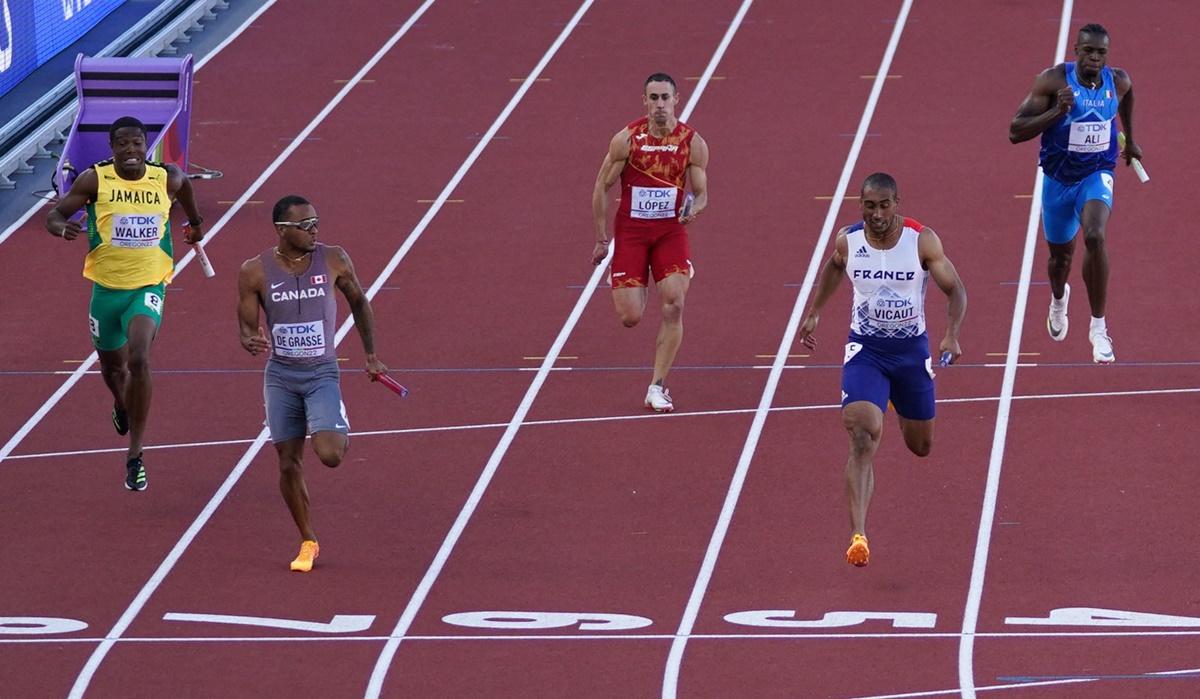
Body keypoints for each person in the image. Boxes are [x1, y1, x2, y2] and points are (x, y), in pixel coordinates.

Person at [799, 173, 966, 567]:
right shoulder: (849, 241)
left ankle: (889, 401)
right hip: (867, 351)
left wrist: (951, 336)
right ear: (861, 204)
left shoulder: (921, 241)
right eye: (869, 206)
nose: (876, 214)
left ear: (897, 203)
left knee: (920, 446)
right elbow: (835, 267)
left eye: (884, 205)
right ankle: (859, 535)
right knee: (861, 435)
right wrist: (815, 313)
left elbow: (955, 289)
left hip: (911, 354)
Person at [45, 116, 205, 492]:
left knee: (139, 358)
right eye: (123, 145)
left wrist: (196, 225)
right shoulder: (95, 180)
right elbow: (54, 214)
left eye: (137, 144)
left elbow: (186, 195)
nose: (131, 151)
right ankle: (121, 403)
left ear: (145, 146)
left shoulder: (166, 177)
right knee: (113, 369)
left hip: (147, 286)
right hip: (106, 291)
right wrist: (60, 228)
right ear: (112, 148)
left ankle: (135, 454)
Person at [237, 195, 387, 572]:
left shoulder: (334, 258)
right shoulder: (254, 271)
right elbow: (245, 325)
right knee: (288, 462)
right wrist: (249, 338)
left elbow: (359, 302)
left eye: (316, 222)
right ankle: (308, 540)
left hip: (321, 372)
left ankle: (332, 420)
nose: (313, 230)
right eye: (304, 225)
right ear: (281, 230)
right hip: (281, 375)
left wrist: (370, 354)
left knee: (331, 455)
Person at [1009, 23, 1143, 363]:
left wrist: (1131, 137)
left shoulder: (1118, 80)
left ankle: (1098, 327)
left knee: (1096, 236)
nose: (1095, 58)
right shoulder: (1054, 81)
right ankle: (1058, 299)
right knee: (1060, 260)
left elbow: (1127, 97)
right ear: (1076, 50)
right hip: (1058, 182)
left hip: (1097, 174)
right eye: (1089, 51)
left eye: (1101, 52)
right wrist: (1056, 112)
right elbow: (1015, 131)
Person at [592, 72, 709, 413]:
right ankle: (635, 273)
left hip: (670, 231)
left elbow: (702, 194)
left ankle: (657, 386)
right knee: (630, 317)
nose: (660, 104)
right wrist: (601, 238)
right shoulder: (626, 140)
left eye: (665, 97)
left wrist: (694, 209)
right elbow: (601, 186)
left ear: (677, 99)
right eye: (653, 98)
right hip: (631, 231)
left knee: (674, 303)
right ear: (645, 101)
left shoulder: (693, 142)